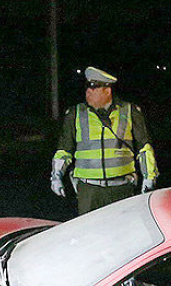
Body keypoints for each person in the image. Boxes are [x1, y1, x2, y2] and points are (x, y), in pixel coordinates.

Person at [50, 67, 160, 215]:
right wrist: (56, 176)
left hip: (121, 189)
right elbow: (64, 150)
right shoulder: (75, 114)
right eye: (87, 86)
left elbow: (144, 147)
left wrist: (149, 178)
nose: (88, 91)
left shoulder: (130, 111)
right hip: (89, 191)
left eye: (94, 87)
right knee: (89, 233)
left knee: (121, 233)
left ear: (107, 91)